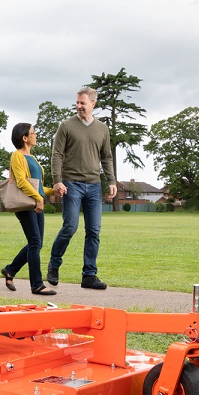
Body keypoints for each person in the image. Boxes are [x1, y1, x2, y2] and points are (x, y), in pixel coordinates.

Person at [46, 87, 117, 289]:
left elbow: (107, 157)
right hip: (71, 184)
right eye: (77, 102)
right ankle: (54, 264)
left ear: (93, 104)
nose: (78, 106)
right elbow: (57, 154)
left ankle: (89, 275)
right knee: (70, 227)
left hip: (94, 185)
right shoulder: (66, 126)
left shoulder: (102, 129)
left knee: (94, 231)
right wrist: (57, 180)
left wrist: (111, 180)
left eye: (82, 103)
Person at [1, 123, 56, 296]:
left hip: (36, 204)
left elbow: (38, 186)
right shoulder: (17, 156)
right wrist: (39, 198)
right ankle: (37, 285)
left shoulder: (32, 158)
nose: (36, 135)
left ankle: (10, 270)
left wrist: (53, 190)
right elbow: (22, 181)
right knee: (35, 243)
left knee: (36, 243)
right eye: (33, 133)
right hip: (26, 205)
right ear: (25, 138)